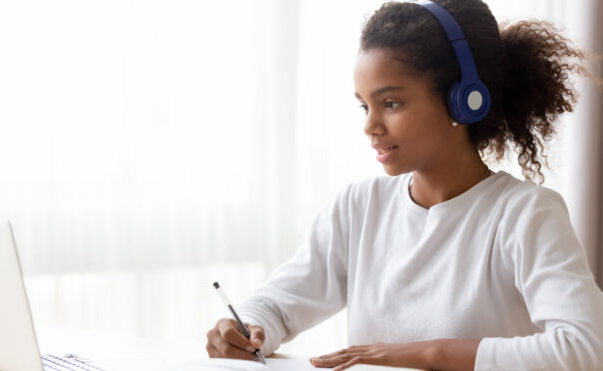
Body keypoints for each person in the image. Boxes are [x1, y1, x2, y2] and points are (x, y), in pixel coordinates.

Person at [205, 0, 603, 369]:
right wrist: (246, 328)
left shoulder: (525, 214)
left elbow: (586, 346)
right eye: (365, 106)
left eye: (390, 103)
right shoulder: (360, 207)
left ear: (464, 100)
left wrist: (429, 352)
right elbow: (278, 306)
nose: (370, 127)